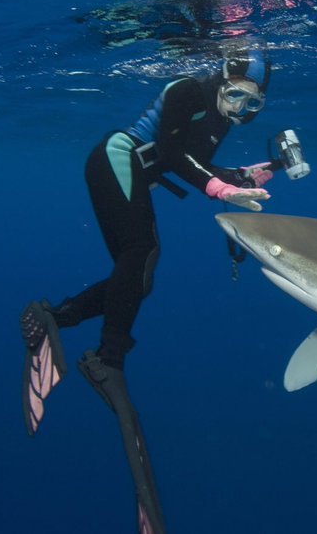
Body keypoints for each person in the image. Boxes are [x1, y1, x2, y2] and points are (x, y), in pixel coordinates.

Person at [19, 42, 275, 435]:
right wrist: (221, 190)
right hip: (116, 159)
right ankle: (108, 360)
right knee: (140, 253)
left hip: (135, 172)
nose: (240, 109)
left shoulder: (222, 119)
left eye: (252, 104)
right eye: (235, 95)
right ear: (220, 80)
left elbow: (197, 164)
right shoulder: (187, 90)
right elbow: (173, 156)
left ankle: (57, 317)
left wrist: (239, 175)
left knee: (140, 278)